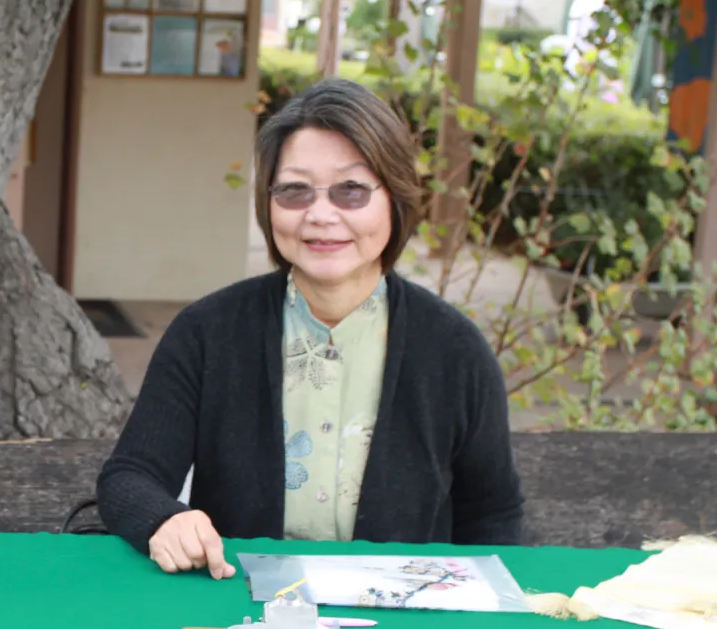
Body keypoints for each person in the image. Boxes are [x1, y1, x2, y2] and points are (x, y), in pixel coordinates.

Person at [95, 77, 523, 578]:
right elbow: (131, 475)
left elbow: (493, 514)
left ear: (396, 200)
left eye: (352, 191)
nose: (321, 215)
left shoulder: (455, 352)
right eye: (295, 190)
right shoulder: (207, 333)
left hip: (405, 619)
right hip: (237, 611)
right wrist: (164, 520)